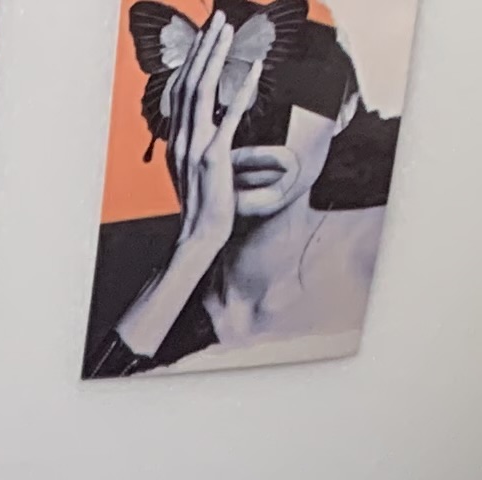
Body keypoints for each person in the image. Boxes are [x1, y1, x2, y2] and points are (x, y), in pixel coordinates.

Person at [87, 0, 393, 377]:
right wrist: (195, 247)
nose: (253, 127)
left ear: (346, 108)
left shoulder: (385, 248)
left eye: (301, 85)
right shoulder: (104, 265)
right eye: (214, 87)